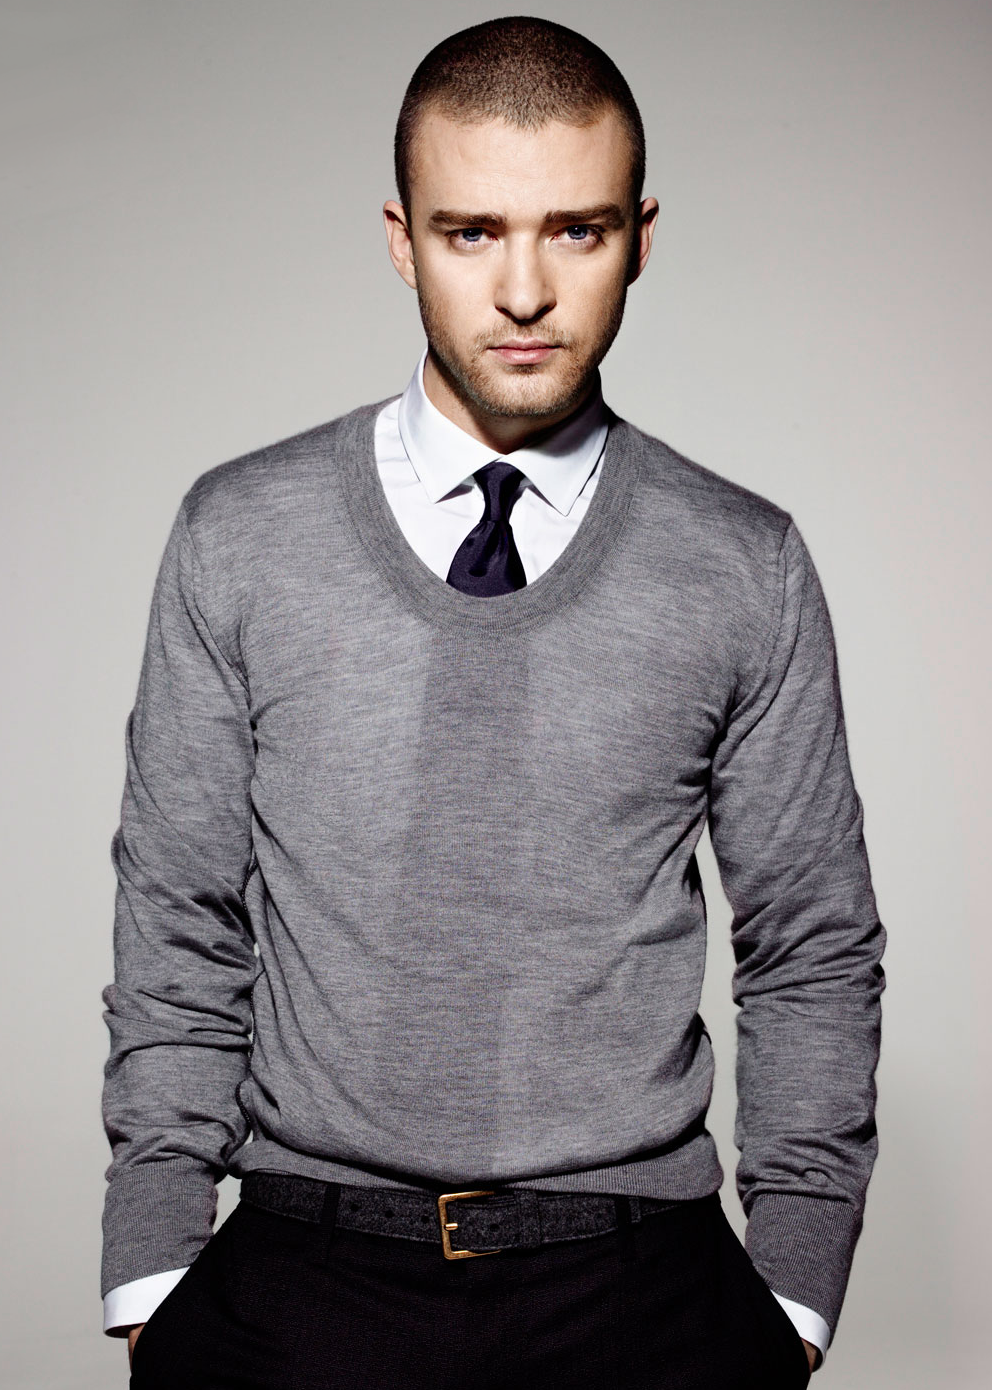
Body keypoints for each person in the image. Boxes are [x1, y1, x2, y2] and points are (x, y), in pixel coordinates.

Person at [100, 16, 886, 1389]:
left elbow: (812, 941)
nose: (524, 290)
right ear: (402, 241)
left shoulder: (742, 562)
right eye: (472, 233)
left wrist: (796, 1293)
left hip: (643, 1290)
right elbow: (178, 911)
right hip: (298, 1282)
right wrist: (154, 1265)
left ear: (640, 238)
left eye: (575, 230)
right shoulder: (241, 533)